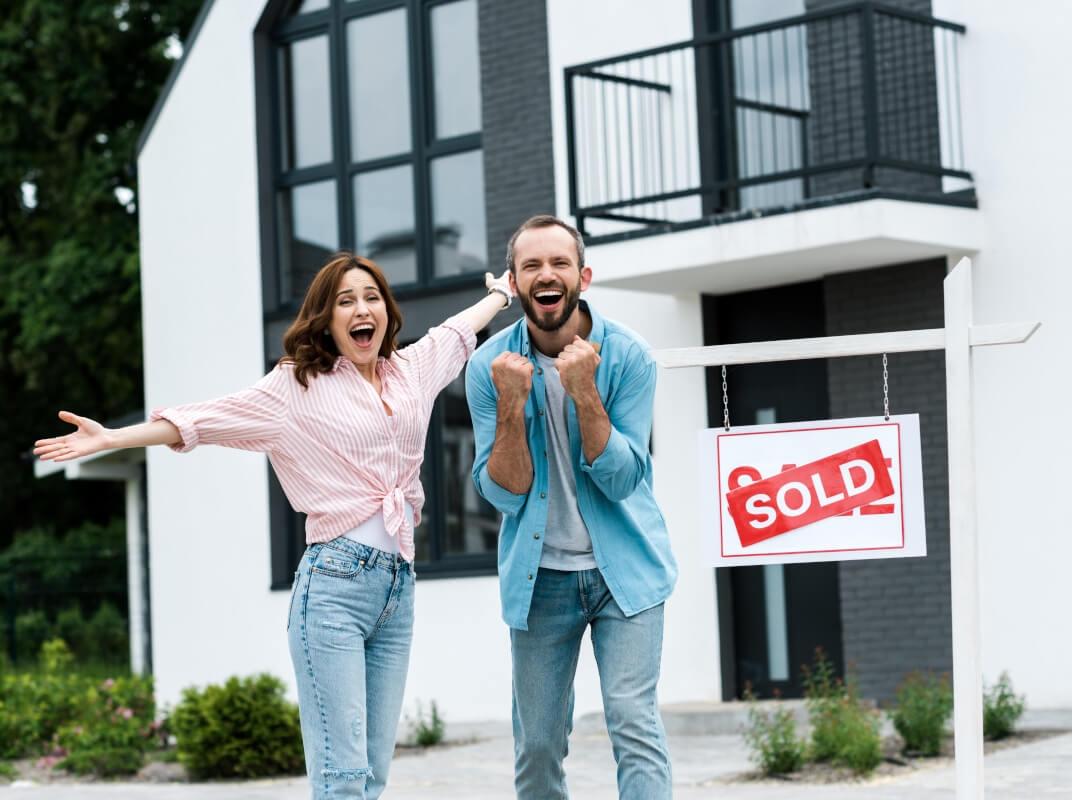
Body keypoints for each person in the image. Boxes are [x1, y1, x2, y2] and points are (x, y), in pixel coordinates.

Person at [34, 253, 514, 800]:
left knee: (373, 775)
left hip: (397, 589)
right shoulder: (295, 387)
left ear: (386, 310)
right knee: (342, 777)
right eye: (346, 300)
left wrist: (501, 294)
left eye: (372, 297)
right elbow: (203, 419)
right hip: (333, 587)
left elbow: (455, 332)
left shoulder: (409, 372)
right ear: (326, 319)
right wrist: (113, 438)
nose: (362, 309)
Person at [465, 214, 677, 799]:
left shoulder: (629, 355)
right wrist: (512, 406)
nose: (546, 274)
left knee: (633, 724)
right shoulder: (488, 369)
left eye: (559, 262)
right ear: (514, 281)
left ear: (583, 275)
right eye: (531, 265)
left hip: (626, 572)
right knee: (537, 745)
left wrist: (584, 391)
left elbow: (622, 479)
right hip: (540, 581)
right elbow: (502, 495)